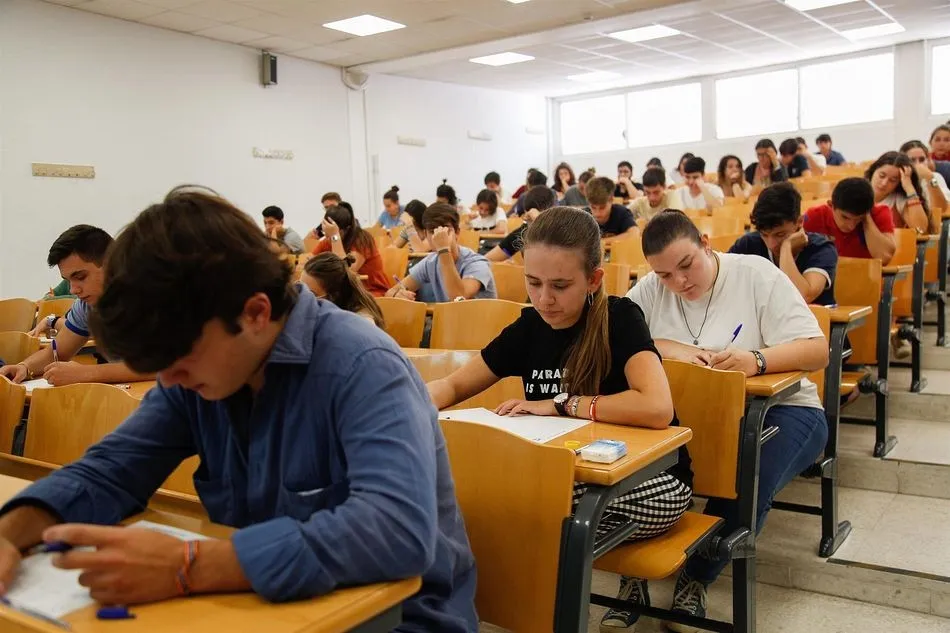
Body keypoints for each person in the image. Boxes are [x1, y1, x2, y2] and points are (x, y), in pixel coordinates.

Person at [0, 189, 477, 631]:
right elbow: (111, 470)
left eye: (178, 357)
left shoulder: (364, 365)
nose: (167, 381)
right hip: (263, 607)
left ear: (254, 313)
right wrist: (11, 532)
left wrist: (188, 565)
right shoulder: (197, 368)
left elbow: (396, 530)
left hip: (396, 618)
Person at [427, 207, 692, 632]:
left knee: (524, 507)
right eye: (533, 283)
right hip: (569, 479)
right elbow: (455, 387)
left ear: (594, 280)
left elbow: (657, 407)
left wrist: (563, 403)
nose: (544, 298)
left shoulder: (619, 318)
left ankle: (542, 612)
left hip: (652, 481)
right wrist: (404, 405)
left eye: (561, 285)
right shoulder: (529, 326)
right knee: (485, 497)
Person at [628, 210, 828, 630]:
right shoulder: (650, 289)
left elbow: (816, 351)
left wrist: (755, 360)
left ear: (705, 242)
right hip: (696, 413)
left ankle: (696, 577)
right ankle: (635, 572)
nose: (679, 283)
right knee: (630, 457)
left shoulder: (755, 274)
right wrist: (667, 347)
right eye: (665, 275)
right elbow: (613, 338)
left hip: (782, 409)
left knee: (745, 472)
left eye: (687, 265)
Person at [0, 225, 157, 387]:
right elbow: (57, 352)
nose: (73, 290)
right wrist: (24, 367)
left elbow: (167, 364)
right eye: (68, 280)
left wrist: (86, 373)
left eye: (80, 277)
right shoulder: (86, 306)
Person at [730, 183, 837, 305]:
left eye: (780, 235)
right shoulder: (748, 243)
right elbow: (719, 277)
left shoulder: (822, 248)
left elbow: (802, 296)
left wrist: (786, 247)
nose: (771, 244)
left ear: (800, 222)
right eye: (764, 234)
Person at [386, 203, 496, 303]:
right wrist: (397, 295)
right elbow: (390, 293)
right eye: (432, 231)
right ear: (426, 235)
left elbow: (458, 298)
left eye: (444, 230)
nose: (438, 236)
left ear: (457, 232)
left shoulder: (477, 263)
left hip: (480, 323)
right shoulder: (430, 262)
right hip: (449, 323)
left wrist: (444, 250)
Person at [803, 177, 896, 264]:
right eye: (845, 217)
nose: (851, 226)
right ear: (831, 205)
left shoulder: (879, 213)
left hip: (865, 278)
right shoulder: (814, 215)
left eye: (859, 219)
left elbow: (884, 256)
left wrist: (867, 219)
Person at [312, 203, 390, 296]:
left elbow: (346, 271)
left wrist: (334, 236)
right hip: (346, 292)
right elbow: (310, 260)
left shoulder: (362, 240)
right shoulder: (329, 239)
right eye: (327, 231)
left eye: (336, 232)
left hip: (371, 291)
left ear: (347, 229)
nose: (328, 237)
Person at [300, 253, 386, 328]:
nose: (301, 297)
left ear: (334, 296)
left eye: (310, 294)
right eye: (300, 287)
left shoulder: (362, 322)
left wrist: (335, 236)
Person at [486, 186, 557, 263]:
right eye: (529, 218)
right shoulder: (523, 232)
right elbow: (487, 259)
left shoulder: (563, 229)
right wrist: (501, 263)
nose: (532, 225)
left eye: (534, 218)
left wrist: (538, 220)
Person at [865, 151, 930, 234]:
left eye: (893, 180)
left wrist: (909, 187)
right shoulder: (856, 192)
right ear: (873, 171)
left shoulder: (899, 200)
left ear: (899, 184)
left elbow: (921, 230)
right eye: (881, 175)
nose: (884, 183)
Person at [900, 140, 950, 217]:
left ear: (928, 160)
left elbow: (941, 210)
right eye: (912, 160)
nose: (918, 164)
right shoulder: (897, 180)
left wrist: (930, 178)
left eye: (922, 159)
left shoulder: (935, 176)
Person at [585, 176, 636, 243]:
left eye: (602, 208)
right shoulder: (583, 215)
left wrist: (600, 242)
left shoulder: (621, 213)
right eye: (593, 207)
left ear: (611, 200)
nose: (597, 213)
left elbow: (634, 234)